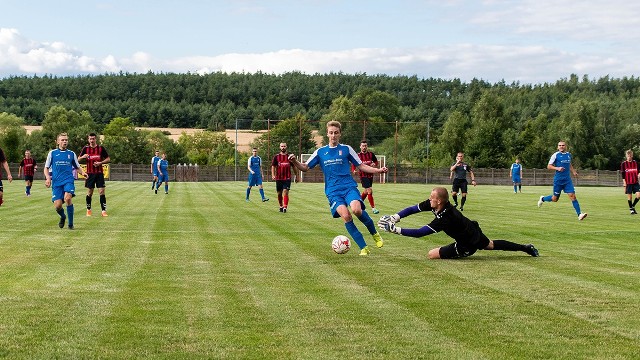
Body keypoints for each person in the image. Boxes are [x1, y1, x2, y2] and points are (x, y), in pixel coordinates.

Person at [288, 120, 388, 256]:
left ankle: (374, 234)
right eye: (331, 133)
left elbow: (361, 166)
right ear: (327, 134)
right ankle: (363, 247)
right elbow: (305, 167)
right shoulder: (320, 152)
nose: (333, 135)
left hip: (348, 187)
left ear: (340, 134)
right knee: (346, 216)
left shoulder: (346, 149)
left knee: (356, 210)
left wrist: (378, 171)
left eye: (336, 133)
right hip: (333, 191)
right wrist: (294, 161)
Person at [377, 187, 539, 259]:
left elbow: (420, 233)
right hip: (471, 230)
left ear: (439, 201)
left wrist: (394, 229)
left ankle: (525, 248)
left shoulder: (446, 217)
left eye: (432, 197)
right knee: (490, 244)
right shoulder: (435, 203)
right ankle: (526, 248)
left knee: (431, 254)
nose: (429, 199)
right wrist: (395, 217)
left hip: (467, 243)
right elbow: (413, 209)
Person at [44, 133, 87, 229]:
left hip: (68, 180)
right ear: (58, 141)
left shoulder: (71, 154)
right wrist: (48, 178)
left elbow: (77, 167)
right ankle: (63, 217)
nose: (65, 141)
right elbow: (46, 168)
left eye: (66, 140)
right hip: (56, 182)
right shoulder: (52, 153)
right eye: (62, 140)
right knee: (58, 205)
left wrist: (83, 173)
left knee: (68, 198)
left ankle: (70, 224)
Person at [537, 141, 587, 220]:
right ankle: (542, 199)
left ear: (565, 146)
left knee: (573, 196)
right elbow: (549, 166)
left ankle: (579, 214)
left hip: (567, 180)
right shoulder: (555, 155)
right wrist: (557, 168)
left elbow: (569, 164)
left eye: (563, 145)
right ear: (557, 147)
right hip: (558, 180)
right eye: (559, 145)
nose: (561, 146)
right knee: (555, 199)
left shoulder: (568, 155)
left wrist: (573, 171)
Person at [79, 133, 111, 217]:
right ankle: (88, 209)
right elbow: (78, 159)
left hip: (99, 173)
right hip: (90, 173)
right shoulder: (85, 149)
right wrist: (83, 157)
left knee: (102, 192)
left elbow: (108, 158)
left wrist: (100, 162)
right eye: (90, 139)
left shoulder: (101, 148)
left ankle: (103, 211)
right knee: (90, 192)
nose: (92, 140)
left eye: (93, 138)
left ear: (95, 139)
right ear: (88, 139)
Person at [352, 139, 380, 214]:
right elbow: (354, 164)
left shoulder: (371, 154)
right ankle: (373, 208)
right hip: (363, 175)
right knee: (370, 190)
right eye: (363, 146)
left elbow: (376, 162)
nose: (364, 147)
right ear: (360, 147)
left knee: (366, 191)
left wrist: (374, 164)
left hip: (370, 175)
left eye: (365, 146)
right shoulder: (358, 156)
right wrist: (354, 170)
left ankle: (359, 204)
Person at [271, 142, 292, 212]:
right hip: (279, 178)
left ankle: (285, 207)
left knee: (285, 191)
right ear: (280, 147)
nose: (283, 147)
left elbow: (294, 166)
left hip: (287, 178)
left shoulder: (289, 157)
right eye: (282, 146)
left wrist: (297, 176)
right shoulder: (276, 157)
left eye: (284, 146)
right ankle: (281, 205)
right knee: (279, 193)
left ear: (286, 147)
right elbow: (273, 166)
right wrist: (273, 175)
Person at [620, 149, 640, 214]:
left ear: (632, 156)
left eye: (630, 156)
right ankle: (631, 209)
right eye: (628, 156)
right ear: (626, 156)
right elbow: (623, 174)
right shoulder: (624, 164)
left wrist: (639, 174)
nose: (629, 157)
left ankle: (633, 206)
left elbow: (638, 171)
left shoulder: (635, 163)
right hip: (628, 183)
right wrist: (624, 182)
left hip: (635, 182)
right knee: (630, 196)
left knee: (638, 195)